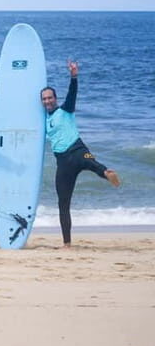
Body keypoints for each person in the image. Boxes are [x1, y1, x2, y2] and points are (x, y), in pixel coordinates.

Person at [41, 60, 120, 247]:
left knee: (91, 162)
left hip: (77, 152)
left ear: (55, 98)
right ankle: (67, 243)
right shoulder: (44, 120)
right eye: (44, 99)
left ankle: (107, 173)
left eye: (50, 98)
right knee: (63, 203)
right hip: (65, 161)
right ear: (41, 101)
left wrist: (74, 76)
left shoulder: (65, 110)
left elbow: (72, 95)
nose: (47, 101)